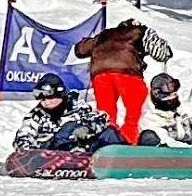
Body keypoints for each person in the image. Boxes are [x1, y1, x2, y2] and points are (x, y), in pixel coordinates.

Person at [73, 8, 174, 144]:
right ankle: (128, 143)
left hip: (100, 74)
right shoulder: (140, 31)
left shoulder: (104, 35)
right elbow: (159, 52)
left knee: (106, 113)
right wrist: (167, 52)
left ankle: (107, 141)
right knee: (134, 114)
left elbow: (80, 50)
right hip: (127, 74)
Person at [4, 72, 111, 179]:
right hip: (50, 153)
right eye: (42, 99)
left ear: (60, 94)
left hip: (81, 149)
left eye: (49, 98)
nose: (46, 102)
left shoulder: (78, 109)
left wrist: (87, 128)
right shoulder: (37, 115)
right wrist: (28, 154)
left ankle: (119, 158)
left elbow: (101, 119)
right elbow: (24, 135)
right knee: (68, 128)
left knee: (109, 133)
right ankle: (75, 161)